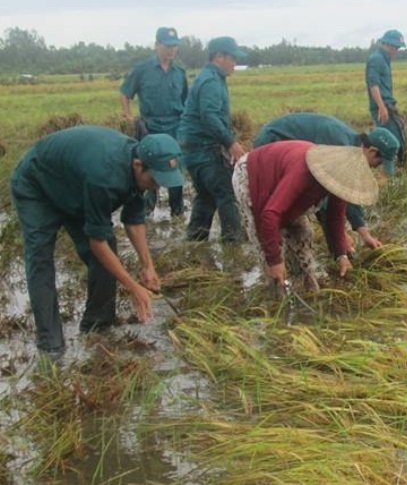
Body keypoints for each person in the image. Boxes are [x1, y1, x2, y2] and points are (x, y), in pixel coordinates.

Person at [10, 125, 184, 359]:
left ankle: (98, 326)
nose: (158, 186)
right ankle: (50, 344)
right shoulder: (104, 177)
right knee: (41, 260)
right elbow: (97, 243)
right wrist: (133, 287)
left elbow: (133, 220)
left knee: (107, 251)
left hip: (75, 188)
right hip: (37, 187)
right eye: (155, 179)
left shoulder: (139, 166)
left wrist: (147, 265)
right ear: (138, 165)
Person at [232, 141, 379, 292]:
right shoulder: (304, 171)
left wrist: (341, 255)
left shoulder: (339, 179)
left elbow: (335, 217)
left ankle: (307, 286)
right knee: (268, 247)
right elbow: (270, 214)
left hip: (282, 177)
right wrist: (274, 260)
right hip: (252, 174)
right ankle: (278, 298)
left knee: (303, 234)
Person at [253, 112, 399, 254]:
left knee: (296, 215)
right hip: (272, 144)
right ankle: (274, 257)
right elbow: (326, 203)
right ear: (372, 151)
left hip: (291, 154)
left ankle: (291, 259)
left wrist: (364, 233)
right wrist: (339, 242)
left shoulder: (352, 149)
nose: (375, 167)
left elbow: (346, 192)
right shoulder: (338, 147)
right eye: (379, 162)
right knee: (280, 210)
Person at [178, 36, 247, 243]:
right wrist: (230, 143)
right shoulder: (211, 81)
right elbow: (209, 116)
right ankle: (233, 247)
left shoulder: (208, 77)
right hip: (204, 149)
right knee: (227, 194)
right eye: (232, 58)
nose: (235, 63)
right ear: (219, 57)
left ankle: (195, 242)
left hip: (192, 149)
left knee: (206, 196)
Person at [120, 26, 188, 217]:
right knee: (149, 168)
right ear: (157, 44)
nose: (171, 50)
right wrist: (129, 116)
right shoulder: (142, 70)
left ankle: (177, 213)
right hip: (150, 127)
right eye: (167, 46)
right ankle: (146, 212)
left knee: (175, 168)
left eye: (175, 46)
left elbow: (186, 101)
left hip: (174, 126)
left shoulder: (180, 72)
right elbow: (125, 93)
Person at [366, 29, 407, 167]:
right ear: (388, 44)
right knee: (392, 141)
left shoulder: (384, 59)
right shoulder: (376, 59)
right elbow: (373, 85)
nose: (397, 51)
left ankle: (399, 168)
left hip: (388, 105)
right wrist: (381, 107)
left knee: (399, 137)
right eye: (396, 47)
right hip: (382, 107)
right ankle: (389, 170)